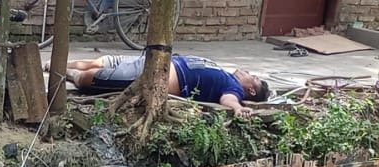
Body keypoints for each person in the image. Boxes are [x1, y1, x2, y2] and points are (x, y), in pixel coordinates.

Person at [68, 54, 271, 113]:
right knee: (103, 61)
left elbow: (228, 99)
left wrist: (237, 108)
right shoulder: (224, 73)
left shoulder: (233, 88)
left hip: (156, 76)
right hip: (155, 60)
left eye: (252, 77)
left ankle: (71, 75)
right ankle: (60, 65)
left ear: (250, 90)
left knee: (92, 77)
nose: (248, 72)